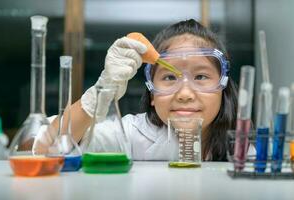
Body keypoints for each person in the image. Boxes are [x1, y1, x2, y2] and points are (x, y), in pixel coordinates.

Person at [34, 19, 238, 161]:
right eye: (169, 77)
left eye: (201, 77)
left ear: (222, 86)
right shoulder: (131, 134)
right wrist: (98, 95)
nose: (184, 94)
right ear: (152, 93)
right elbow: (41, 148)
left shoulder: (242, 144)